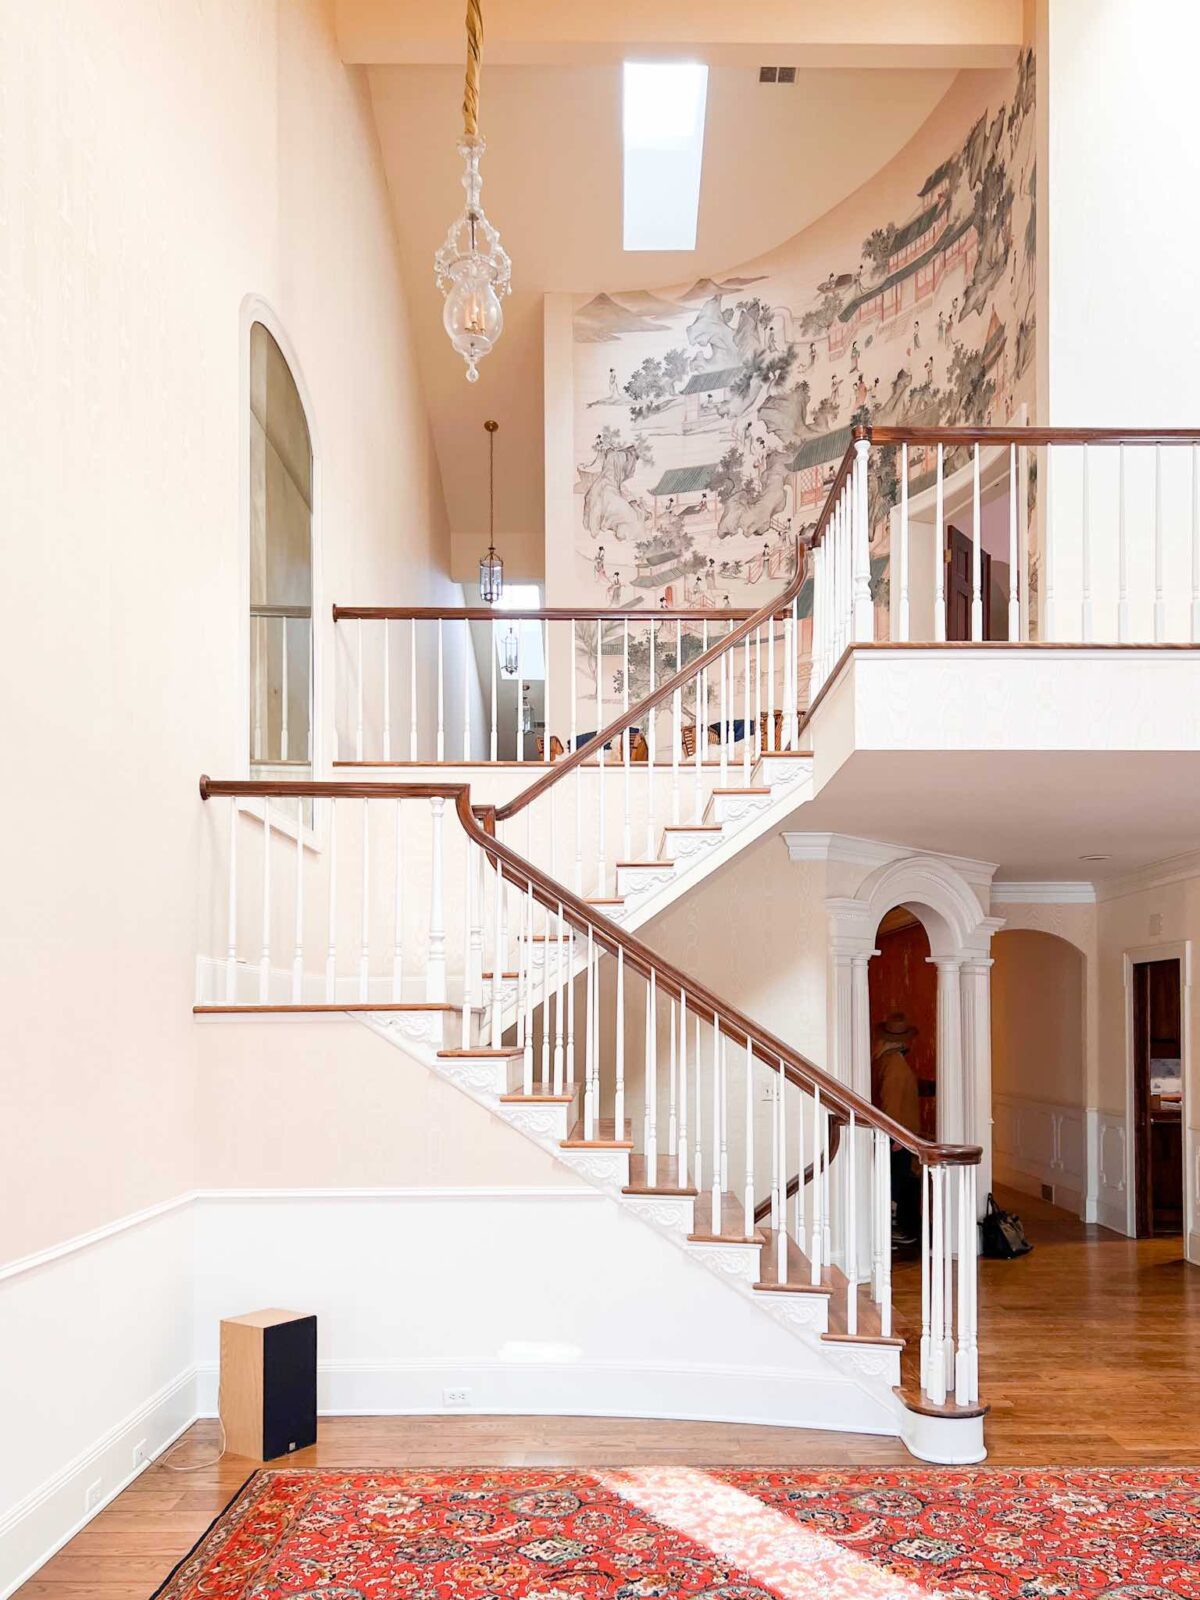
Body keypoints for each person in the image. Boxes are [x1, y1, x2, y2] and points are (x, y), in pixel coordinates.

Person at [872, 1011, 922, 1245]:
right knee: (896, 1182)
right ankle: (891, 1230)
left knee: (896, 1180)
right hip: (898, 1136)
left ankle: (892, 1228)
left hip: (898, 1134)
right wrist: (894, 1134)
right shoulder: (894, 1065)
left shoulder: (886, 1061)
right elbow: (891, 1101)